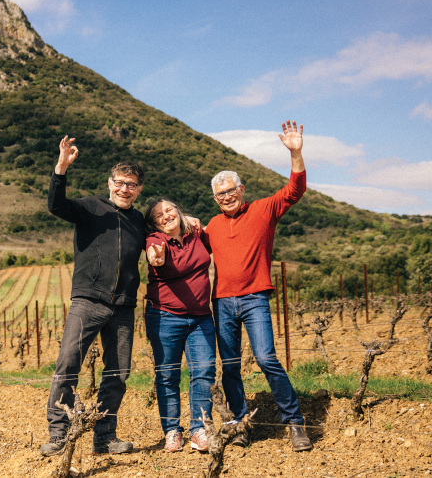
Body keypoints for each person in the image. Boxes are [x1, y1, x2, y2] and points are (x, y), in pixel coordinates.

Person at [204, 120, 312, 452]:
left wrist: (296, 153)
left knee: (266, 358)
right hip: (221, 303)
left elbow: (294, 191)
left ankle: (294, 422)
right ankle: (238, 425)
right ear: (215, 198)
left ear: (241, 190)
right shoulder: (211, 226)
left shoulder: (264, 210)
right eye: (220, 194)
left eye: (230, 190)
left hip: (254, 300)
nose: (226, 197)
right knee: (231, 367)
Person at [40, 136, 144, 456]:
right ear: (110, 183)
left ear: (139, 189)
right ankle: (58, 433)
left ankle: (105, 436)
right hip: (88, 300)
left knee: (117, 373)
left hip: (124, 306)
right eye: (120, 182)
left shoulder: (140, 221)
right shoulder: (90, 207)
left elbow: (167, 233)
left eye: (132, 184)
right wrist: (61, 168)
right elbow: (57, 206)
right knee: (68, 364)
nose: (124, 188)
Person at [143, 198, 215, 452]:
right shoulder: (156, 240)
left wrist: (197, 223)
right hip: (164, 316)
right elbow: (155, 256)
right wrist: (157, 257)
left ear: (179, 211)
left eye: (169, 210)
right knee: (167, 375)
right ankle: (172, 431)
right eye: (159, 215)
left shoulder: (196, 233)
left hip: (201, 317)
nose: (166, 216)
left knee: (204, 372)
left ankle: (199, 430)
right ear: (154, 223)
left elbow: (213, 238)